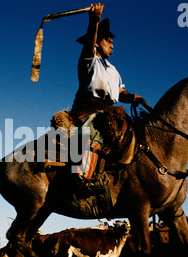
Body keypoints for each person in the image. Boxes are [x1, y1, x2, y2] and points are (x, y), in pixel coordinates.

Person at [71, 3, 143, 195]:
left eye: (112, 41)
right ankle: (81, 179)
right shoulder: (89, 60)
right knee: (94, 133)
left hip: (111, 111)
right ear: (96, 42)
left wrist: (131, 97)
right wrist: (94, 22)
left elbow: (120, 93)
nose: (112, 44)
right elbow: (88, 45)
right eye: (108, 40)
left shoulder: (113, 69)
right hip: (89, 109)